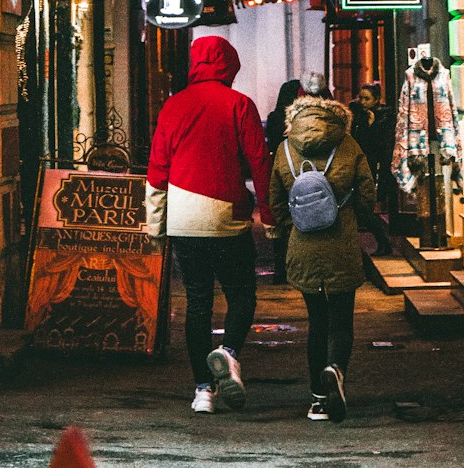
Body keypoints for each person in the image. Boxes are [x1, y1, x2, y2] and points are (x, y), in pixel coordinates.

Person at [145, 36, 274, 416]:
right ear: (230, 66)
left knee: (197, 302)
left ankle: (203, 390)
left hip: (183, 219)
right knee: (241, 294)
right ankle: (229, 352)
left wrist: (155, 226)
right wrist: (268, 215)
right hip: (226, 216)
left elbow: (157, 170)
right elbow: (259, 162)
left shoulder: (173, 106)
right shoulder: (239, 105)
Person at [269, 94, 377, 424]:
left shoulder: (286, 148)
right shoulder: (347, 144)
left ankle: (317, 399)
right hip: (341, 243)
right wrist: (355, 218)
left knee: (317, 323)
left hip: (303, 247)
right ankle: (336, 369)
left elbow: (276, 200)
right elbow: (367, 192)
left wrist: (295, 225)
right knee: (341, 318)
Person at [265, 71, 332, 283]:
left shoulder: (281, 119)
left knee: (287, 216)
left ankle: (282, 267)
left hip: (290, 168)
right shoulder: (332, 120)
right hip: (323, 172)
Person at [349, 83, 393, 256]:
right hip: (360, 166)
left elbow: (381, 144)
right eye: (361, 97)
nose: (363, 102)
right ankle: (383, 242)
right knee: (362, 207)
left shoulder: (384, 117)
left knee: (366, 207)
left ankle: (384, 242)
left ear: (376, 100)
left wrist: (372, 123)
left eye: (367, 98)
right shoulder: (357, 116)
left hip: (376, 167)